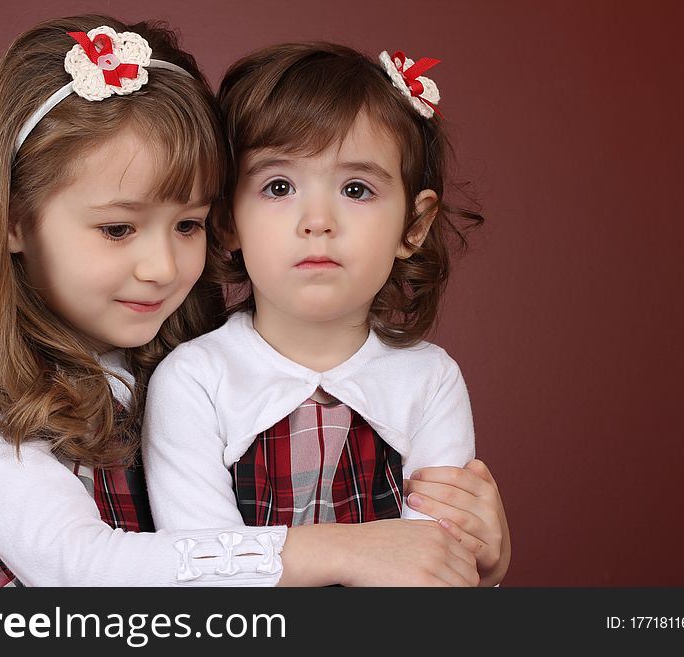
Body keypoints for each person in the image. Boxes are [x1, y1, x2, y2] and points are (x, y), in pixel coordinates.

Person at [0, 16, 485, 587]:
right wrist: (345, 551)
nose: (163, 268)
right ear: (12, 219)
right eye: (117, 229)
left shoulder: (187, 344)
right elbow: (71, 565)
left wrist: (475, 552)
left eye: (189, 225)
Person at [143, 42, 510, 586]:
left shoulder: (429, 381)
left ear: (414, 225)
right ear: (226, 222)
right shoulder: (195, 381)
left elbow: (433, 569)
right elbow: (206, 573)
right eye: (279, 187)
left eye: (356, 189)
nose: (317, 220)